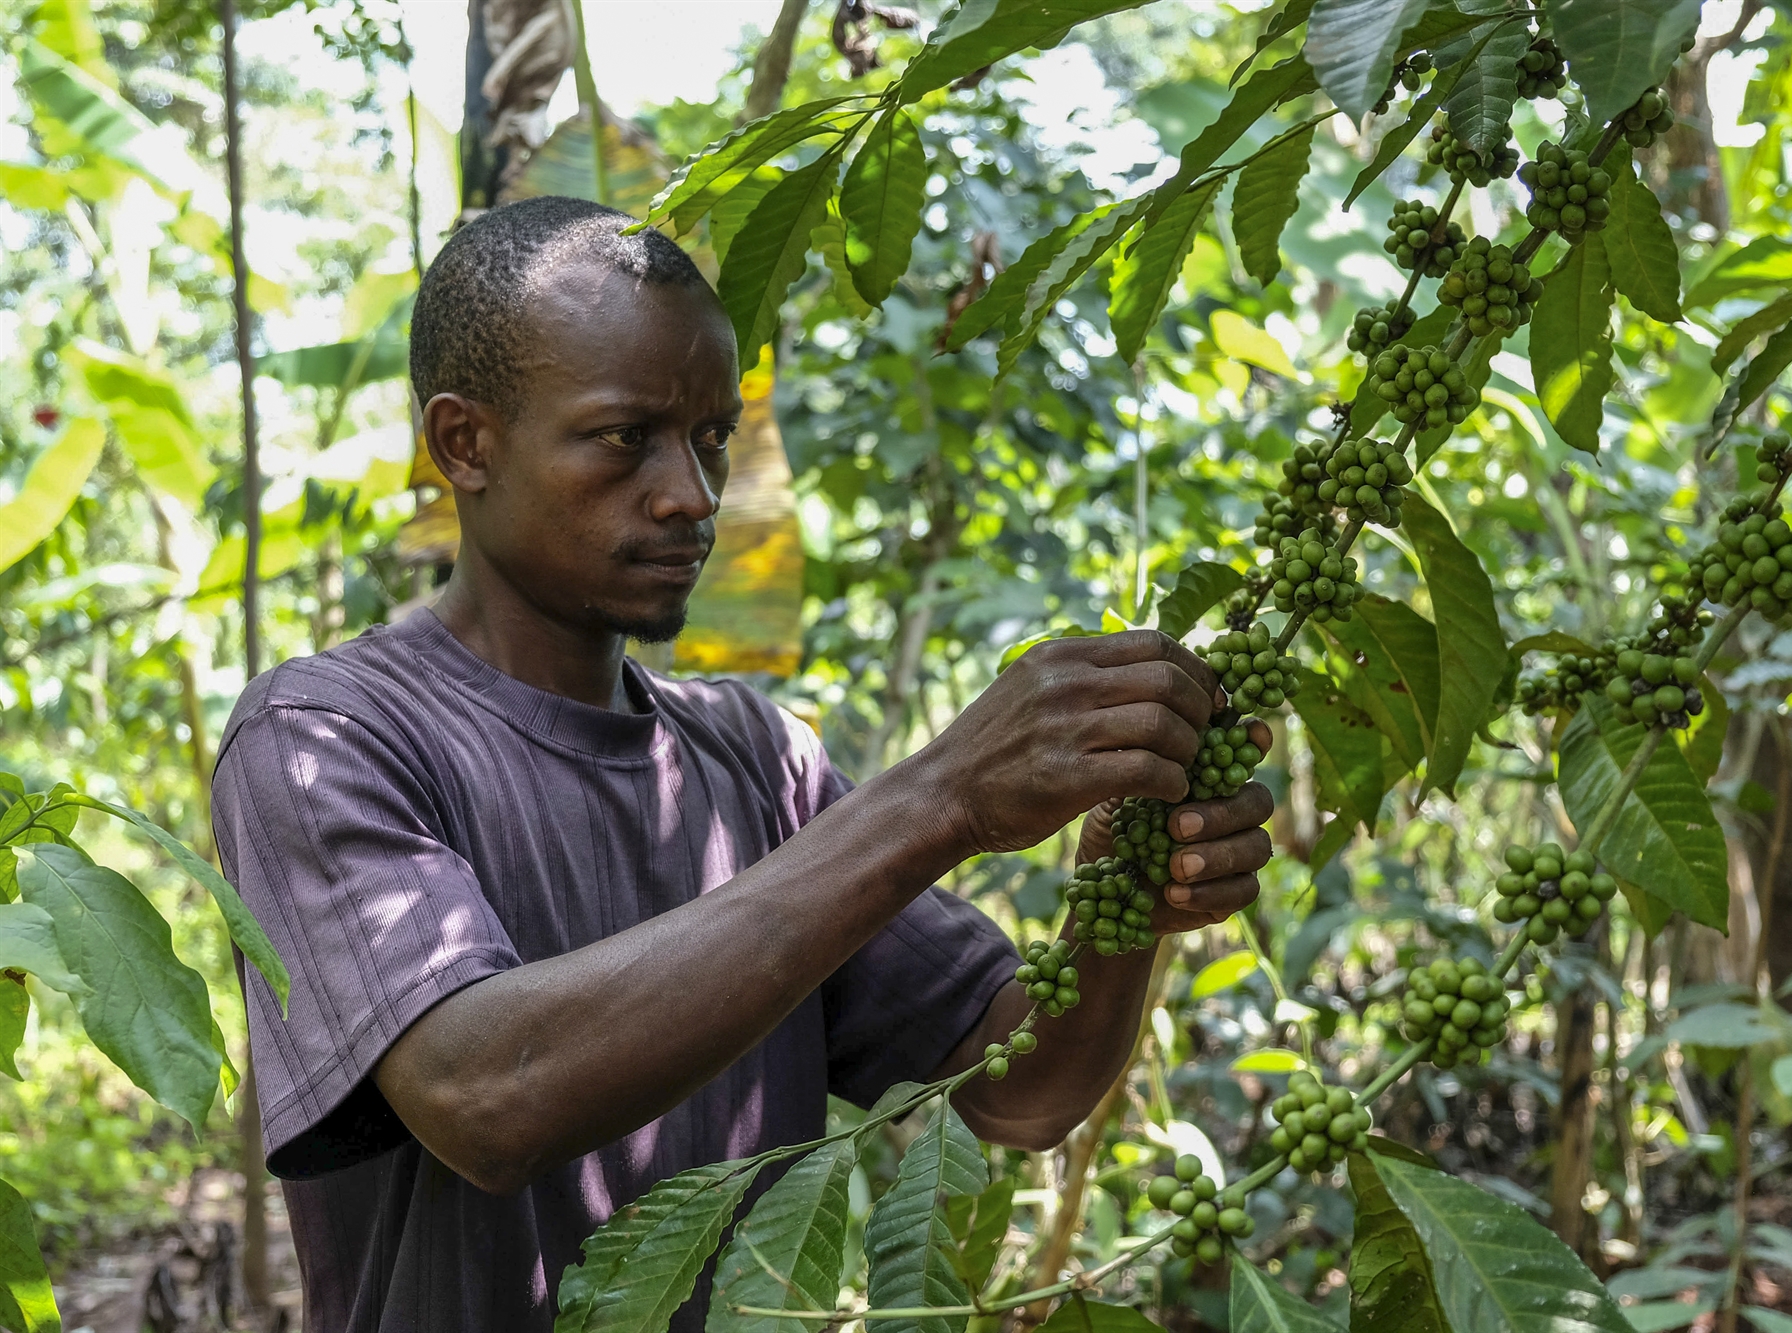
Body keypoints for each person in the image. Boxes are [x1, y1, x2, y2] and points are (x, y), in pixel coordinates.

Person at [211, 195, 1275, 1332]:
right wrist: (944, 793)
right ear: (465, 444)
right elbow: (483, 1098)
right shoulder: (326, 734)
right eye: (625, 436)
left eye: (711, 437)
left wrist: (1126, 891)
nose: (694, 494)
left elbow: (1022, 1090)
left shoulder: (757, 762)